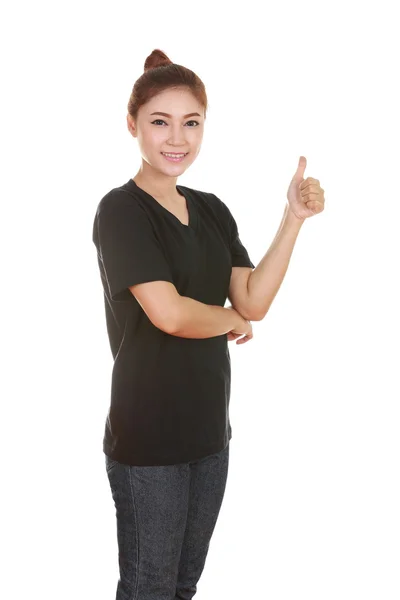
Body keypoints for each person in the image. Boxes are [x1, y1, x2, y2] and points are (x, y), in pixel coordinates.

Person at [92, 48, 325, 600]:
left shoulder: (213, 209)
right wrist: (228, 319)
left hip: (208, 436)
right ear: (133, 126)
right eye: (160, 122)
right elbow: (169, 312)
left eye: (191, 123)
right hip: (148, 442)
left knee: (183, 587)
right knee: (149, 590)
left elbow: (254, 298)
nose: (178, 138)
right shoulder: (120, 210)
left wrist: (292, 218)